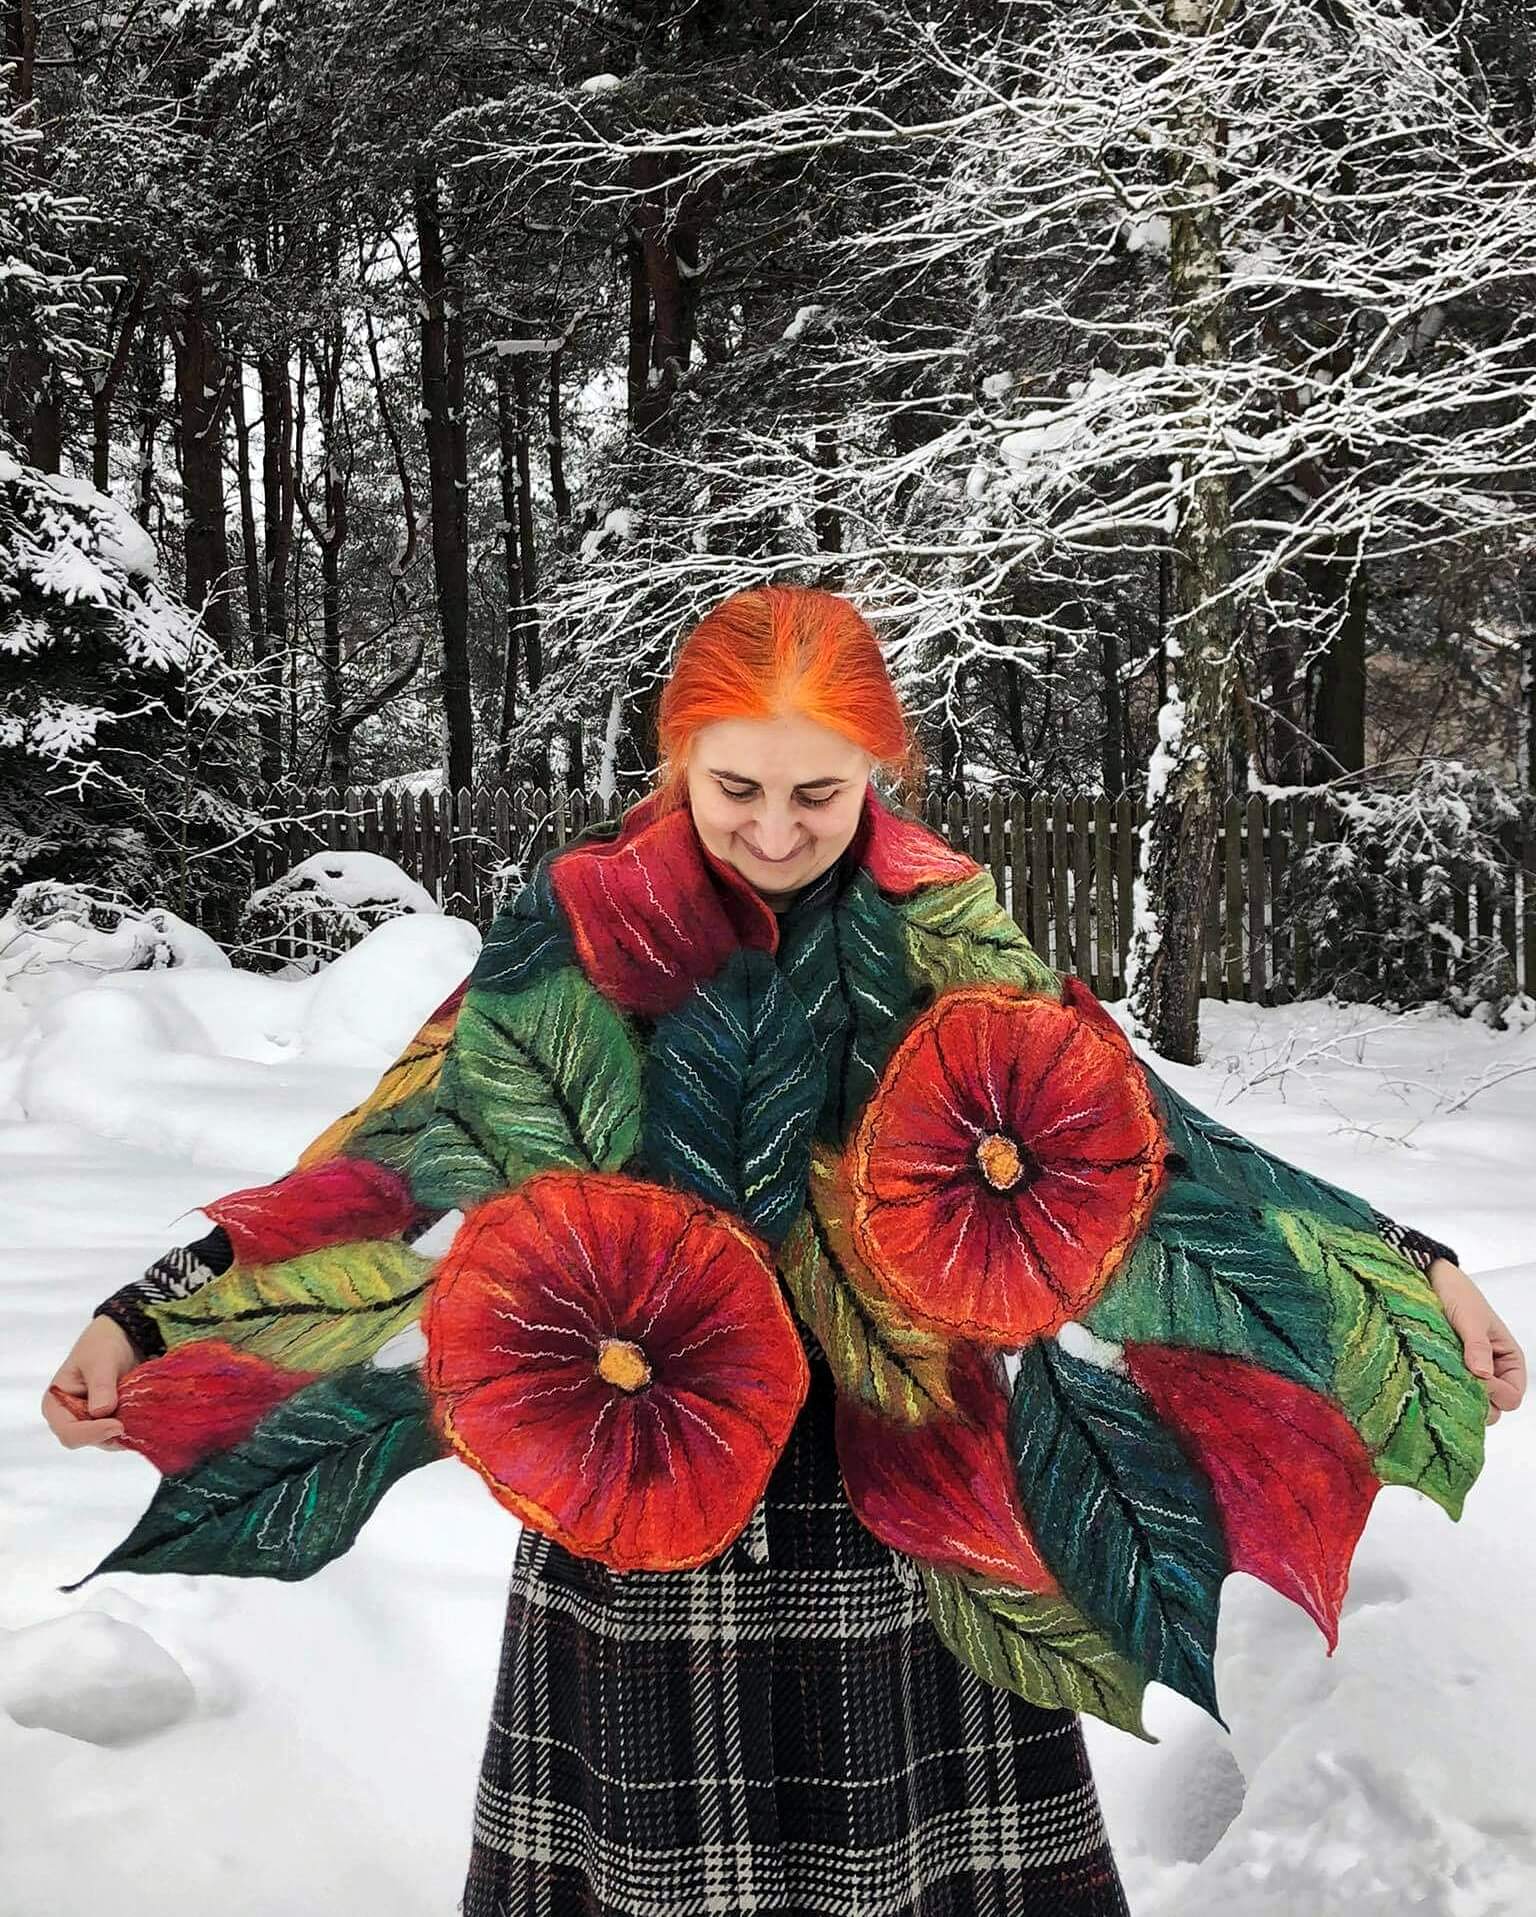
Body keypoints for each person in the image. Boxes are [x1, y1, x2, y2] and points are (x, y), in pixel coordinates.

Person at [45, 583, 1527, 1916]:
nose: (771, 829)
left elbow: (1145, 1137)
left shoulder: (944, 926)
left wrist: (1407, 1269)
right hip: (654, 1473)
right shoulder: (579, 934)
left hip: (905, 1477)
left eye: (817, 791)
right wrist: (153, 1316)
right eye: (735, 786)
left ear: (880, 767)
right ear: (677, 761)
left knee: (918, 1859)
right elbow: (382, 1161)